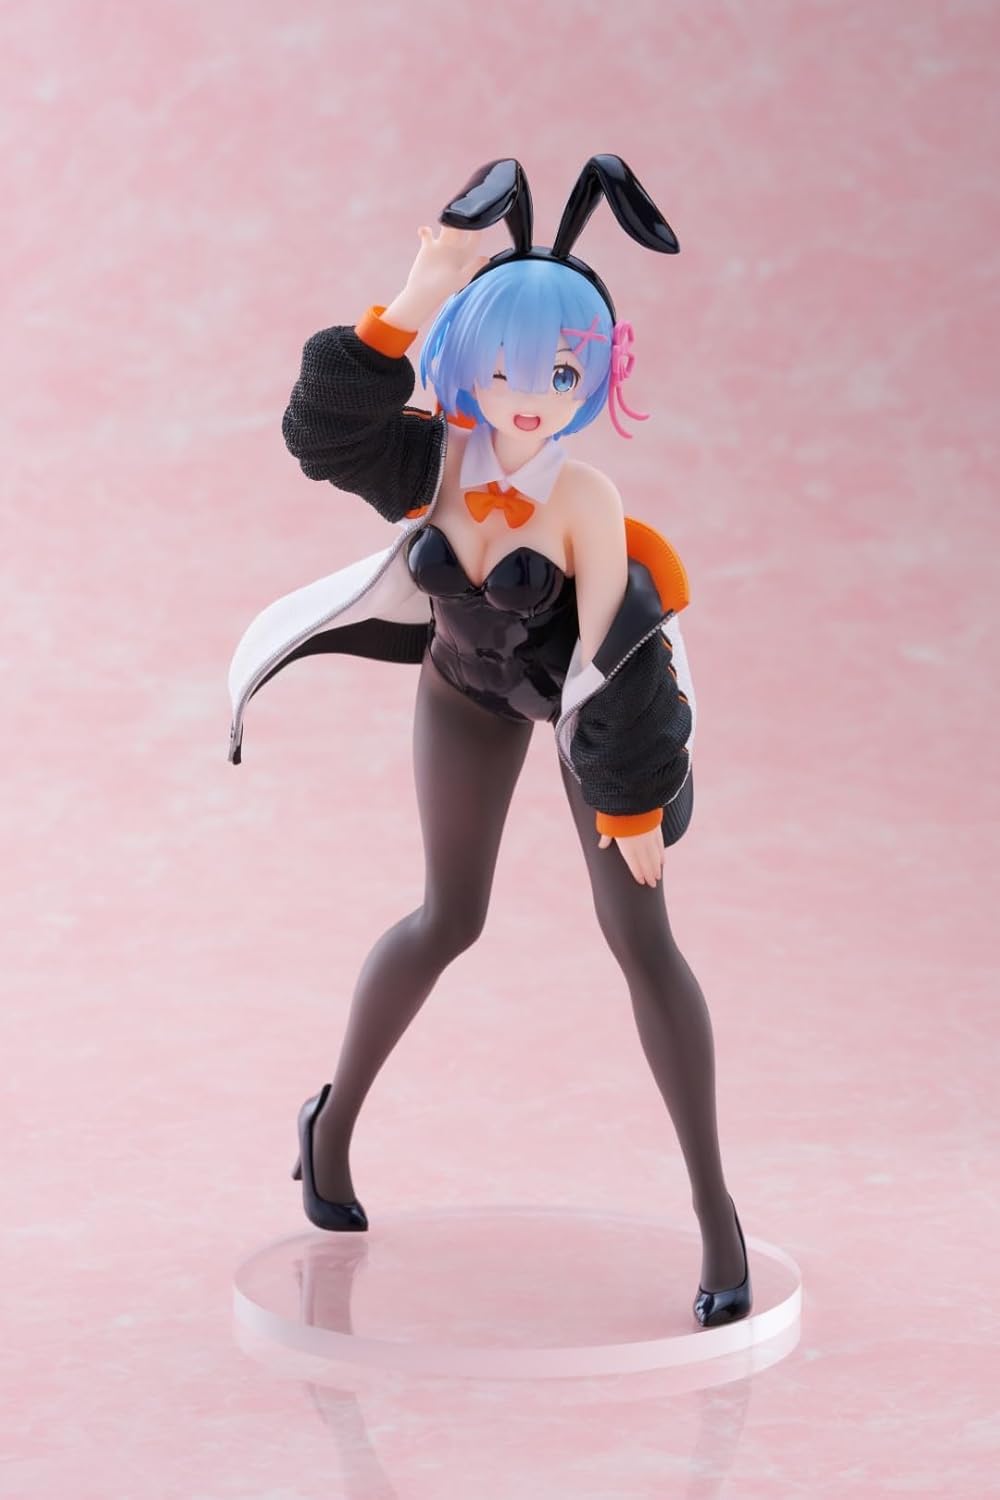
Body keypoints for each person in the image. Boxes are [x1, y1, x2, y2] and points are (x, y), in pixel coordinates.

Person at [227, 157, 752, 1327]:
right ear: (469, 360)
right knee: (446, 918)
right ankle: (330, 1127)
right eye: (505, 366)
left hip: (574, 712)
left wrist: (629, 800)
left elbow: (618, 657)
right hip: (461, 693)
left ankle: (715, 1216)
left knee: (641, 940)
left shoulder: (584, 501)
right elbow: (319, 431)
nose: (529, 394)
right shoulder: (436, 460)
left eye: (558, 371)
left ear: (594, 372)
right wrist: (418, 295)